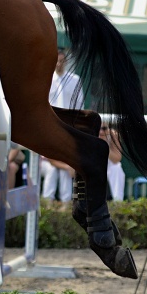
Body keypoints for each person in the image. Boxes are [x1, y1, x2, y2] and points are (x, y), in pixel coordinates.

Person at [41, 48, 84, 201]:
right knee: (54, 169)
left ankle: (66, 204)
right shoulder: (45, 79)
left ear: (66, 62)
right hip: (50, 128)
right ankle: (48, 203)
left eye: (61, 61)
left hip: (68, 128)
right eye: (56, 61)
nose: (59, 64)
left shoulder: (75, 79)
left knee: (67, 168)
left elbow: (80, 105)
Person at [101, 124, 125, 201]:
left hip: (109, 167)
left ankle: (118, 202)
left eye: (104, 128)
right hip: (93, 167)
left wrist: (104, 144)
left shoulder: (113, 134)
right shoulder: (88, 133)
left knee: (117, 168)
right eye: (98, 128)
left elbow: (117, 158)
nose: (101, 131)